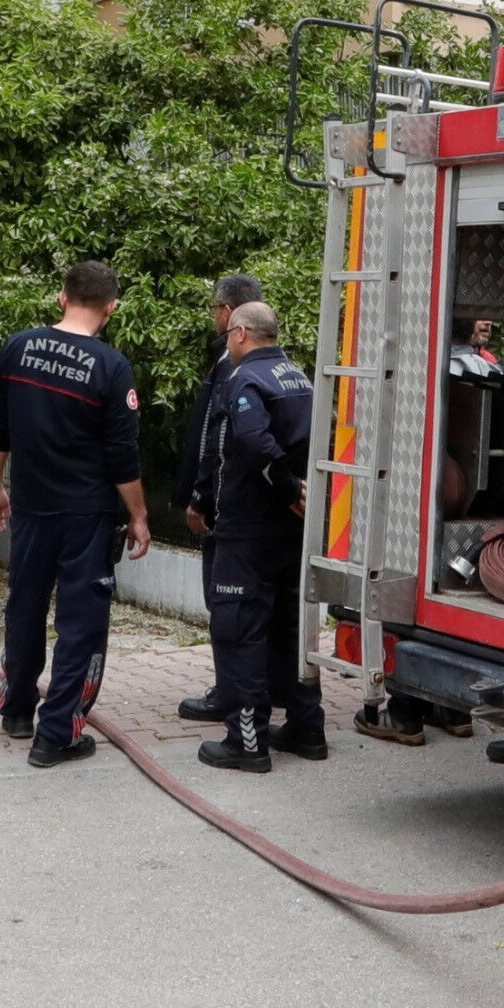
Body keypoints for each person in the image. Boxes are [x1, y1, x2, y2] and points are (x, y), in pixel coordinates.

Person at [0, 259, 150, 769]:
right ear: (111, 308)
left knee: (25, 605)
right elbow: (123, 456)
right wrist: (138, 515)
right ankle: (58, 734)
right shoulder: (110, 366)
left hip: (32, 507)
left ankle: (15, 710)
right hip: (87, 515)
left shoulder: (18, 346)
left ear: (62, 297)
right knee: (81, 622)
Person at [186, 301, 321, 772]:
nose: (226, 341)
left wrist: (285, 488)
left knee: (238, 628)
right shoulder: (299, 376)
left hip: (249, 529)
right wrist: (301, 492)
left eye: (228, 335)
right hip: (293, 530)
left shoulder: (245, 379)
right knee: (289, 626)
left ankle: (247, 742)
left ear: (241, 332)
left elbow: (250, 441)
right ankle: (307, 726)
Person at [174, 272, 264, 723]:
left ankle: (229, 694)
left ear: (230, 314)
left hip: (229, 510)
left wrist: (200, 496)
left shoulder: (233, 365)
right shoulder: (270, 365)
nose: (214, 316)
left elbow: (219, 437)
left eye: (215, 308)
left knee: (226, 603)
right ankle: (251, 690)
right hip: (260, 510)